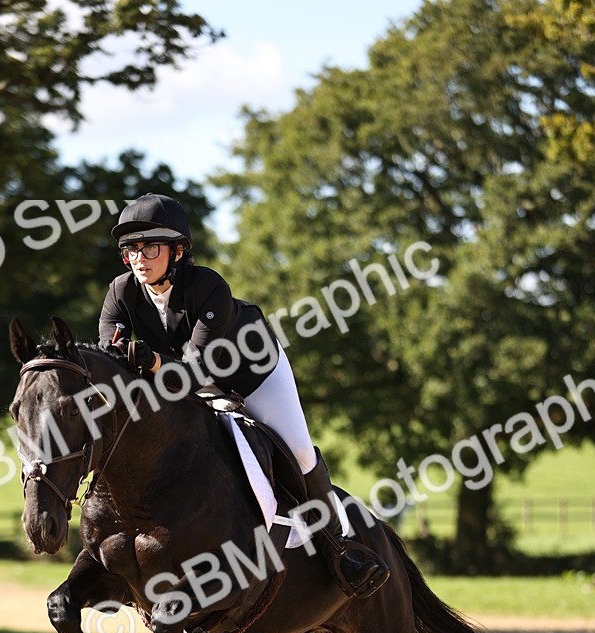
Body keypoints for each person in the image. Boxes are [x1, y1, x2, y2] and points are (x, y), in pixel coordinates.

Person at [98, 193, 388, 598]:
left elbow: (197, 370)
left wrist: (153, 364)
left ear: (178, 251)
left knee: (299, 451)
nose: (140, 257)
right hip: (182, 385)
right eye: (131, 249)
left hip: (253, 374)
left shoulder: (208, 287)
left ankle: (341, 551)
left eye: (151, 247)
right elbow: (112, 360)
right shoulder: (120, 293)